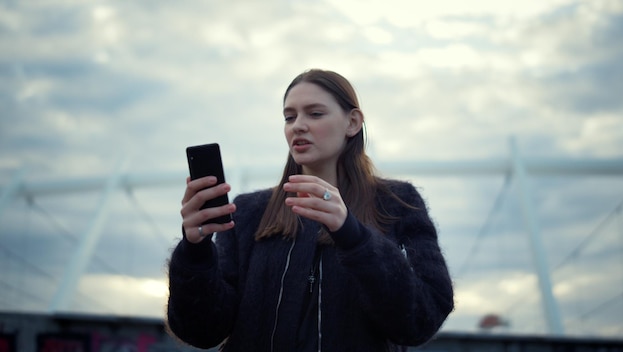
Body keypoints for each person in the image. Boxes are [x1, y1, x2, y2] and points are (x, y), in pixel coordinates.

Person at [166, 69, 454, 351]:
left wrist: (354, 235)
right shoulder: (249, 212)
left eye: (315, 114)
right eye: (289, 117)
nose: (298, 126)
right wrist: (195, 252)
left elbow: (421, 318)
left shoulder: (398, 202)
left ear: (352, 122)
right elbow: (202, 331)